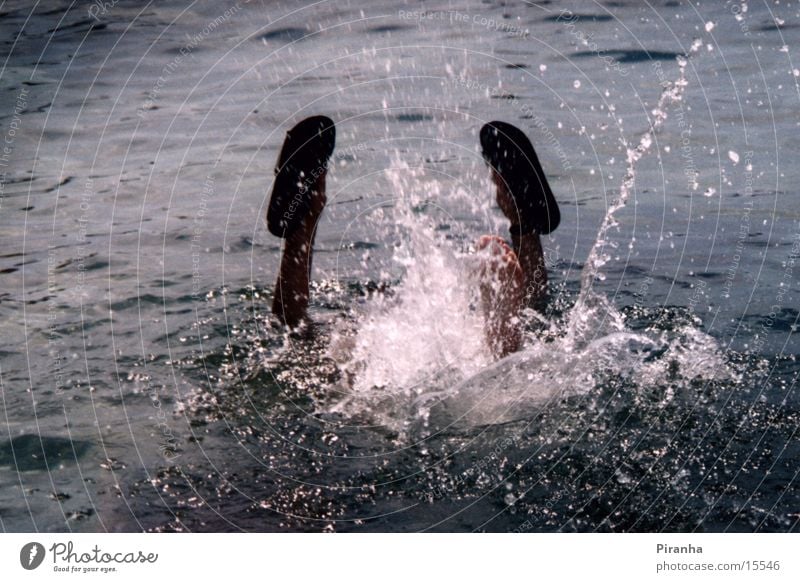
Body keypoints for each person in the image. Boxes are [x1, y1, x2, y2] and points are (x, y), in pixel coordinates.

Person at [266, 116, 560, 358]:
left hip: (374, 367)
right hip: (443, 371)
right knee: (534, 319)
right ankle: (522, 228)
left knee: (297, 337)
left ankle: (302, 224)